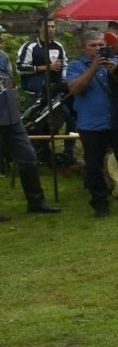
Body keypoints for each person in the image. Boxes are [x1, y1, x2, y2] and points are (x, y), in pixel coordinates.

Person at [65, 32, 118, 217]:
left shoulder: (116, 63)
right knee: (93, 166)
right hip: (92, 123)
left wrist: (115, 70)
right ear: (84, 48)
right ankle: (100, 203)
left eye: (101, 45)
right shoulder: (75, 66)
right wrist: (93, 69)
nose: (98, 49)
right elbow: (75, 89)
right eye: (93, 45)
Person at [0, 47, 61, 219]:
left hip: (12, 117)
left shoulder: (3, 55)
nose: (2, 40)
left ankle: (36, 201)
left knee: (28, 156)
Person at [19, 17, 75, 167]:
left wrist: (64, 82)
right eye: (47, 26)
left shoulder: (58, 47)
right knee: (36, 124)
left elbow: (65, 66)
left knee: (68, 119)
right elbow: (21, 68)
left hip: (56, 93)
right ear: (39, 28)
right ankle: (38, 153)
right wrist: (45, 68)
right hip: (36, 93)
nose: (51, 29)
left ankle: (68, 153)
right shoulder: (30, 47)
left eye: (53, 26)